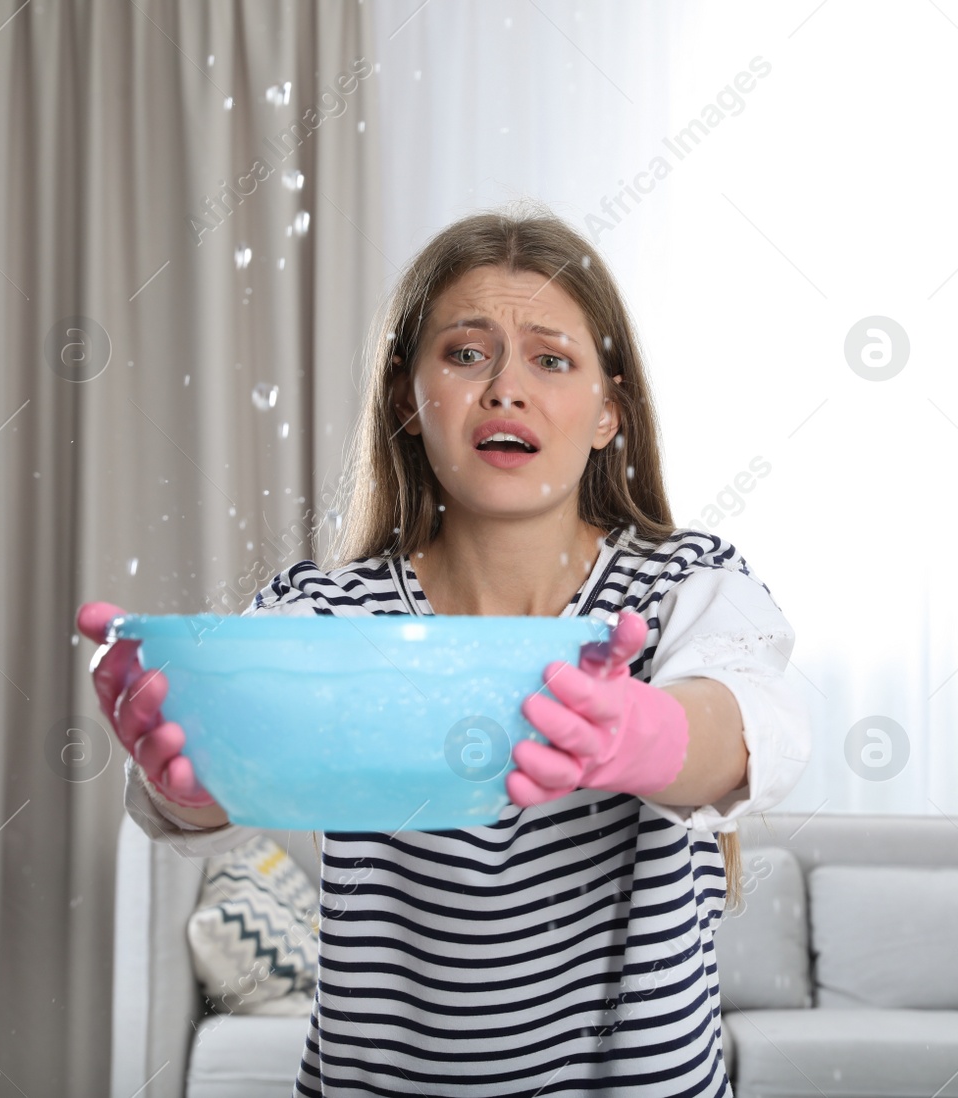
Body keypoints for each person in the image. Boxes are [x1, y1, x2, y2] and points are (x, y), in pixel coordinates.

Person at [77, 208, 811, 1096]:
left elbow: (754, 727)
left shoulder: (682, 585)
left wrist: (642, 734)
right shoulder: (326, 612)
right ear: (407, 400)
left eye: (552, 359)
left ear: (609, 411)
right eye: (466, 354)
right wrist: (194, 781)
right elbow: (221, 780)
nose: (506, 388)